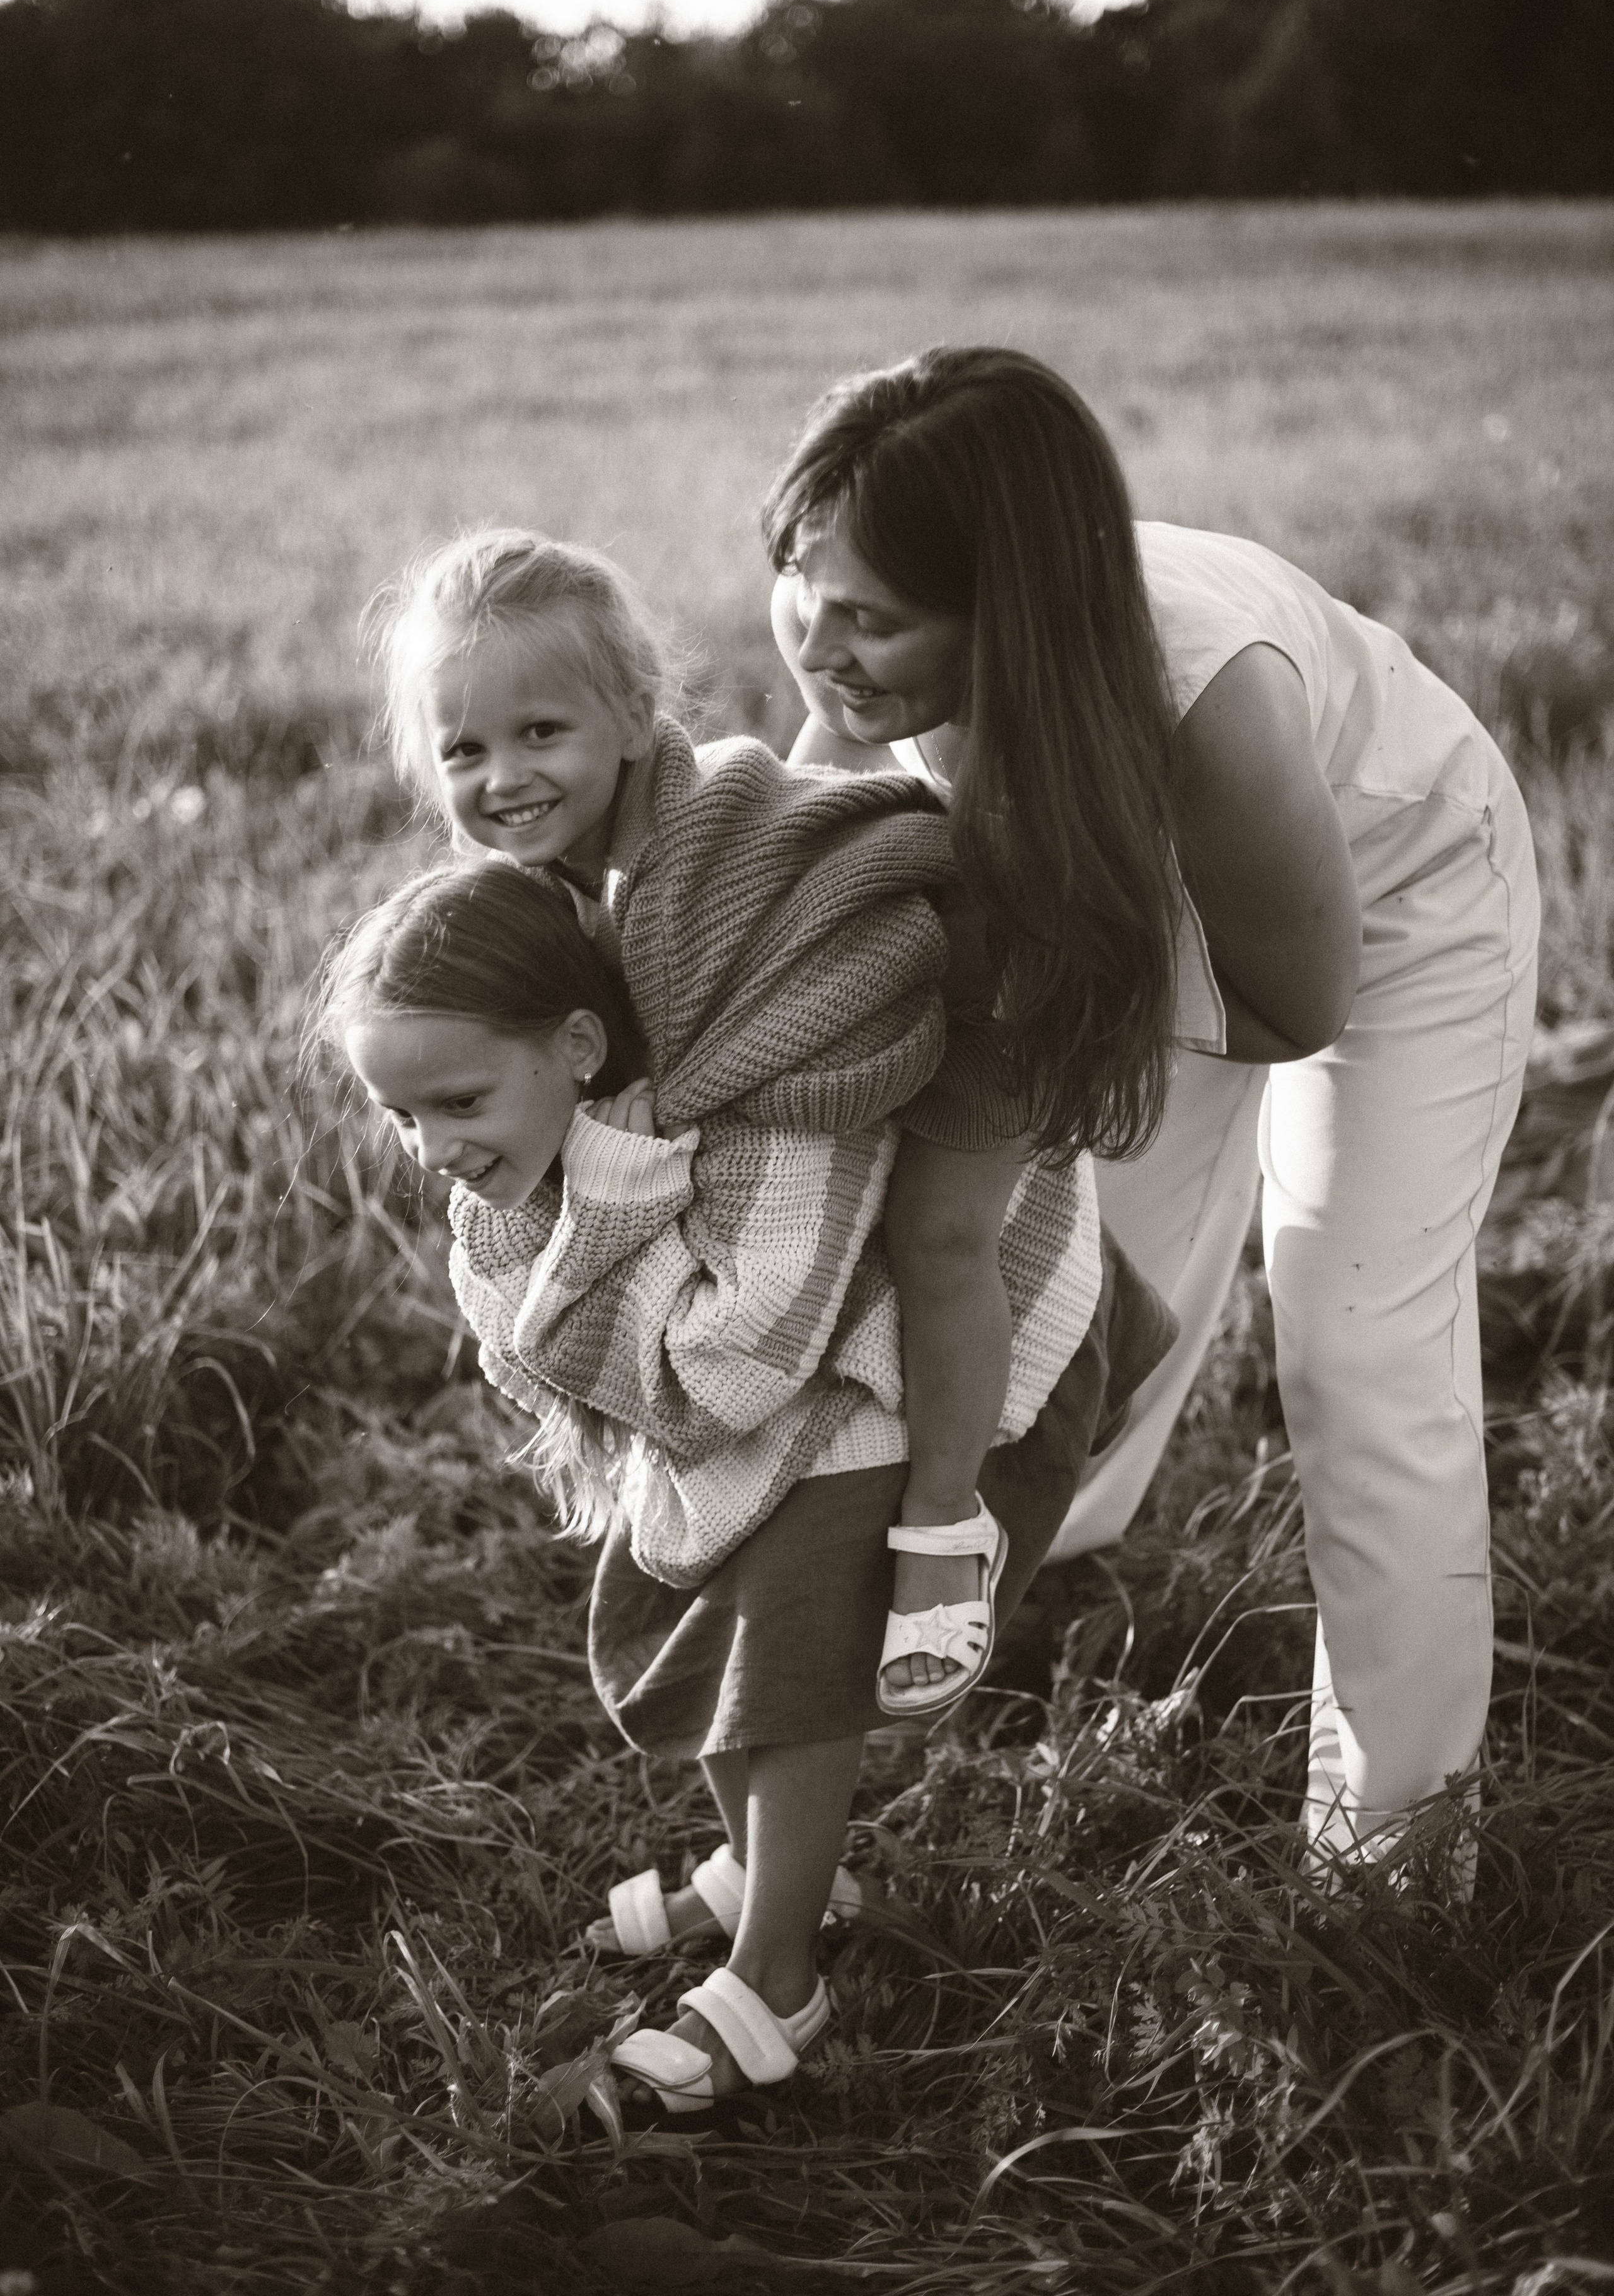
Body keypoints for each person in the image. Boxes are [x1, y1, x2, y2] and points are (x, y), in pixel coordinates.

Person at [767, 344, 1539, 1875]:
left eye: (871, 619)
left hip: (1383, 923)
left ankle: (1390, 1854)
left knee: (1354, 1343)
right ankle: (978, 1627)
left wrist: (1029, 990)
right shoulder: (862, 633)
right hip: (1109, 923)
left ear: (1011, 612)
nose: (820, 646)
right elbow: (815, 847)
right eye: (801, 588)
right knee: (1068, 1301)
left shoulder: (1201, 697)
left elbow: (1291, 1006)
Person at [317, 861, 1173, 2112]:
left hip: (916, 1369)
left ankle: (778, 1976)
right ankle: (772, 1867)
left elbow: (724, 1371)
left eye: (457, 1101)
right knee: (693, 1603)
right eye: (402, 1119)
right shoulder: (512, 1177)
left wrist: (604, 1223)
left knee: (793, 1662)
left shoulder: (741, 1127)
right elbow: (526, 1353)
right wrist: (558, 1231)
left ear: (573, 1045)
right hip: (761, 1393)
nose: (433, 1151)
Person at [363, 527, 1065, 1710]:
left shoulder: (698, 855)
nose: (504, 776)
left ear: (637, 719)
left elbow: (760, 980)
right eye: (465, 749)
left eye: (543, 733)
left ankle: (945, 1528)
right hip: (846, 1008)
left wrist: (628, 1161)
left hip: (959, 981)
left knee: (941, 1240)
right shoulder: (545, 883)